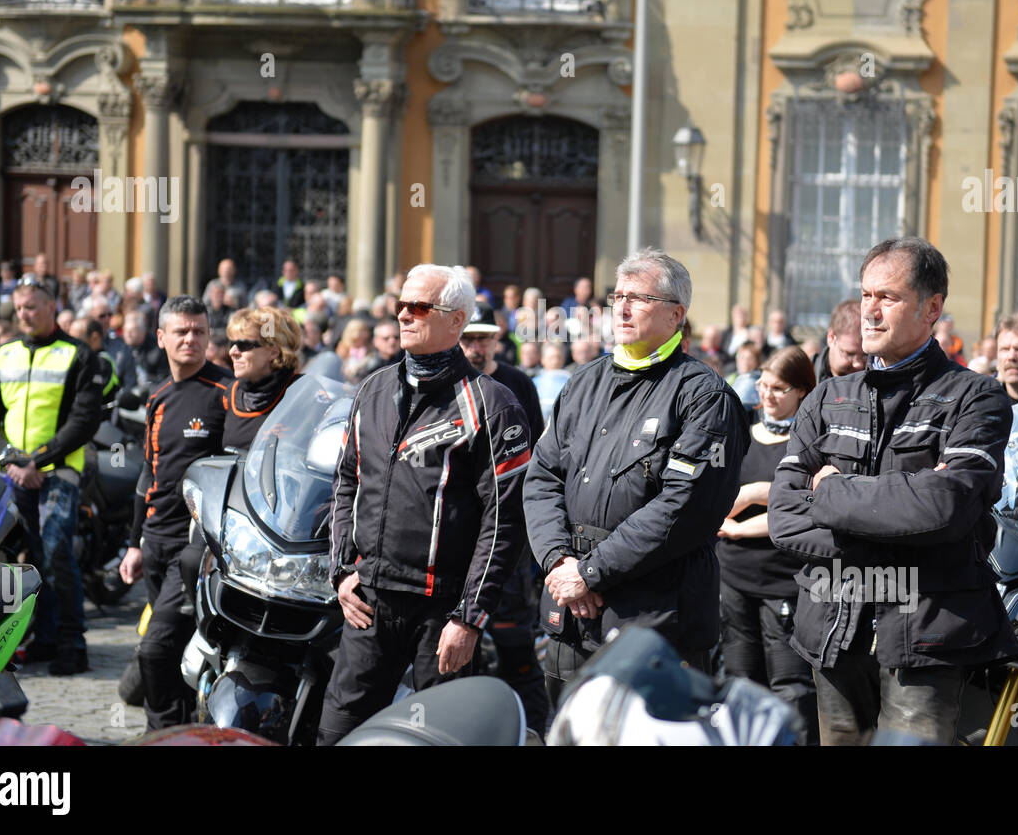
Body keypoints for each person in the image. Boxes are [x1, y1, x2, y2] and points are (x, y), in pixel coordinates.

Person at [768, 238, 1018, 745]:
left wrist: (833, 494)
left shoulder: (976, 397)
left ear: (932, 308)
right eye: (866, 296)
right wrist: (895, 523)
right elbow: (783, 517)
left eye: (889, 297)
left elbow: (946, 508)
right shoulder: (827, 396)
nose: (871, 311)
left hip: (926, 635)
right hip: (832, 631)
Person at [524, 248, 749, 704]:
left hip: (654, 620)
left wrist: (592, 572)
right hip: (571, 610)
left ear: (675, 314)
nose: (622, 308)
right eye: (617, 296)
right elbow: (542, 475)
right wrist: (560, 562)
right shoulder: (584, 382)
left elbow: (684, 508)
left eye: (639, 298)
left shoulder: (705, 396)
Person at [318, 263, 530, 744]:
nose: (404, 316)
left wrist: (470, 617)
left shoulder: (492, 403)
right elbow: (347, 481)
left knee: (438, 738)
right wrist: (341, 570)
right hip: (369, 600)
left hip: (443, 612)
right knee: (337, 733)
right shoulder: (371, 388)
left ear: (456, 320)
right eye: (401, 306)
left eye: (419, 307)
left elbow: (506, 521)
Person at [0, 280, 104, 675]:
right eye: (18, 308)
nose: (23, 314)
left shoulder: (79, 355)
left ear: (52, 306)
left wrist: (38, 460)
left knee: (55, 551)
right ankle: (43, 638)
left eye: (31, 306)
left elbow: (85, 420)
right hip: (14, 471)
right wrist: (13, 459)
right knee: (26, 559)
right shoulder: (3, 353)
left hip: (59, 471)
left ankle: (72, 643)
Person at [118, 296, 231, 729]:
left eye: (199, 331)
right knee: (176, 651)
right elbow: (148, 474)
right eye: (181, 332)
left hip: (196, 548)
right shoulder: (158, 398)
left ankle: (161, 733)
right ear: (161, 338)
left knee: (155, 649)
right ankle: (184, 730)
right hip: (156, 542)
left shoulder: (227, 391)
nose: (191, 339)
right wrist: (133, 543)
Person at [716, 346, 819, 743]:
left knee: (790, 684)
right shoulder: (740, 430)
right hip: (733, 575)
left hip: (782, 579)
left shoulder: (808, 441)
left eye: (779, 388)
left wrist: (747, 518)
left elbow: (804, 504)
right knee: (741, 678)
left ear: (802, 392)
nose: (768, 395)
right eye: (763, 384)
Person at [460, 304, 551, 731]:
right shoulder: (448, 384)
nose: (475, 347)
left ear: (497, 339)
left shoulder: (518, 384)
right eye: (468, 338)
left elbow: (534, 458)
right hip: (457, 537)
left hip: (505, 537)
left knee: (517, 648)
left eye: (482, 338)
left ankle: (535, 730)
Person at [221, 307, 303, 454]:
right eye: (231, 344)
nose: (232, 352)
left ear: (273, 351)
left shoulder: (302, 392)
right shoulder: (230, 393)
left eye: (243, 345)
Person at [813, 298, 865, 384]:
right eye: (849, 354)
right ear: (831, 338)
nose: (858, 364)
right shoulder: (803, 378)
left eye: (865, 355)